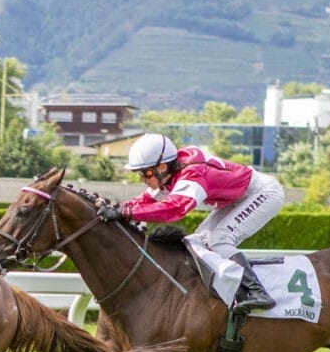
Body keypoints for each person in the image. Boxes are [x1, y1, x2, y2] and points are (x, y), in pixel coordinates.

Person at [109, 132, 284, 315]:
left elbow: (174, 209)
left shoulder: (193, 174)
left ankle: (257, 292)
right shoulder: (171, 172)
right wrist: (116, 208)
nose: (142, 178)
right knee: (199, 240)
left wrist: (126, 213)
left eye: (146, 173)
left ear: (161, 167)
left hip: (262, 193)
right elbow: (145, 200)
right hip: (237, 198)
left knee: (219, 239)